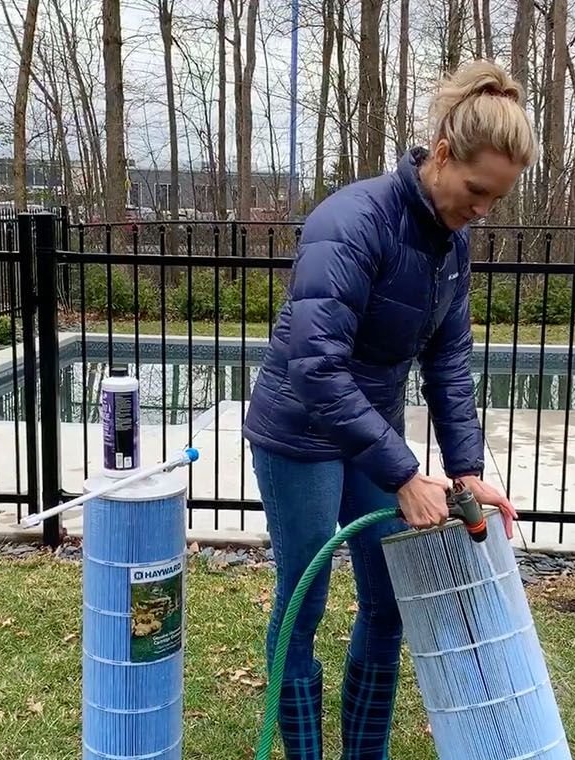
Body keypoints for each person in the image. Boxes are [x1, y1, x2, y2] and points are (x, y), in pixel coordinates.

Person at [240, 59, 539, 759]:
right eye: (475, 190)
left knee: (388, 600)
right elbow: (317, 367)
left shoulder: (451, 243)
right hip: (299, 432)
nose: (482, 210)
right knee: (306, 596)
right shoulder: (352, 223)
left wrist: (463, 471)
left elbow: (447, 363)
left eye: (496, 198)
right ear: (441, 154)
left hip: (370, 437)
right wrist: (405, 473)